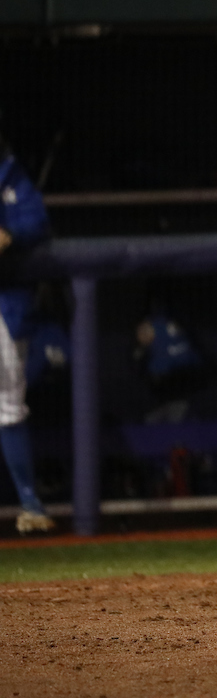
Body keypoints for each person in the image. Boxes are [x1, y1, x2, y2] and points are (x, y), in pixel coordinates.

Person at [0, 143, 54, 534]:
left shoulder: (8, 171)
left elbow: (36, 220)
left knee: (8, 404)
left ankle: (31, 504)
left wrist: (9, 233)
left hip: (5, 300)